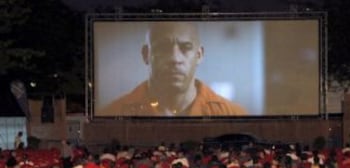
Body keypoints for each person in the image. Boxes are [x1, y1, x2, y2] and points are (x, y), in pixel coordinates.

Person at [98, 21, 247, 117]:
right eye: (163, 48)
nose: (175, 59)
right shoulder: (112, 112)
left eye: (185, 48)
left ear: (199, 55)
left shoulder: (233, 113)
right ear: (146, 54)